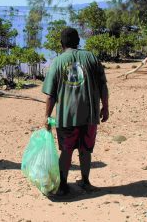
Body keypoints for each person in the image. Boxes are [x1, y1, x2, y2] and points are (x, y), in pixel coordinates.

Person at [42, 28, 109, 196]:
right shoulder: (91, 57)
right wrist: (105, 107)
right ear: (78, 41)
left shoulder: (57, 62)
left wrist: (47, 116)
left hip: (66, 117)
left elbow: (51, 95)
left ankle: (63, 185)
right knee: (86, 149)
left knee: (66, 150)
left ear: (61, 44)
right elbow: (103, 86)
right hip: (90, 115)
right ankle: (85, 182)